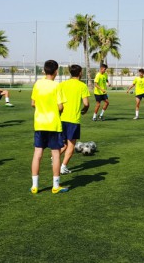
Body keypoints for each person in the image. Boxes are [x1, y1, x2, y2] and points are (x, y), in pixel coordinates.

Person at [30, 60, 68, 194]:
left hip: (39, 124)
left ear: (44, 70)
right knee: (56, 154)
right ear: (56, 71)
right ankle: (55, 186)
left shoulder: (38, 84)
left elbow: (33, 103)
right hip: (53, 124)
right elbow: (60, 107)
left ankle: (35, 186)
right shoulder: (57, 86)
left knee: (37, 154)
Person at [59, 65, 90, 175]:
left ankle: (55, 158)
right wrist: (85, 110)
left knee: (64, 145)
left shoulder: (62, 84)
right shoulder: (82, 85)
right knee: (71, 146)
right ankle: (63, 167)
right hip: (73, 120)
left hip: (61, 119)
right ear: (80, 73)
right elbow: (86, 103)